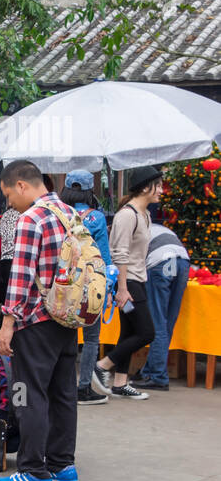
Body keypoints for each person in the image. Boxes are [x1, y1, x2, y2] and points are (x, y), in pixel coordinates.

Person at [0, 158, 80, 481]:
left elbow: (20, 275)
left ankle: (32, 470)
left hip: (35, 320)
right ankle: (62, 465)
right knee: (63, 393)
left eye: (8, 195)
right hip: (68, 320)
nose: (9, 204)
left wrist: (7, 323)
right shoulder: (70, 214)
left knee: (27, 394)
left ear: (21, 185)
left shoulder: (31, 218)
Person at [94, 166, 162, 399]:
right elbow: (119, 254)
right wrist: (121, 289)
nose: (161, 191)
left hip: (137, 279)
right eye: (158, 186)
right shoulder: (127, 215)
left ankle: (120, 383)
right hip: (128, 281)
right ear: (145, 187)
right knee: (146, 333)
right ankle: (102, 365)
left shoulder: (145, 214)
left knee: (129, 332)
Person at [58, 171, 113, 405]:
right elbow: (104, 258)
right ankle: (83, 389)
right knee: (91, 338)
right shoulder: (96, 218)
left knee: (64, 334)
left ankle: (63, 386)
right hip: (90, 285)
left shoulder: (59, 214)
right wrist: (108, 287)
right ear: (91, 190)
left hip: (64, 283)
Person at [137, 222, 190, 390]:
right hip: (182, 261)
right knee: (167, 323)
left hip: (160, 262)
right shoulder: (157, 227)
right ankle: (151, 369)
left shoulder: (133, 227)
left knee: (158, 322)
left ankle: (157, 375)